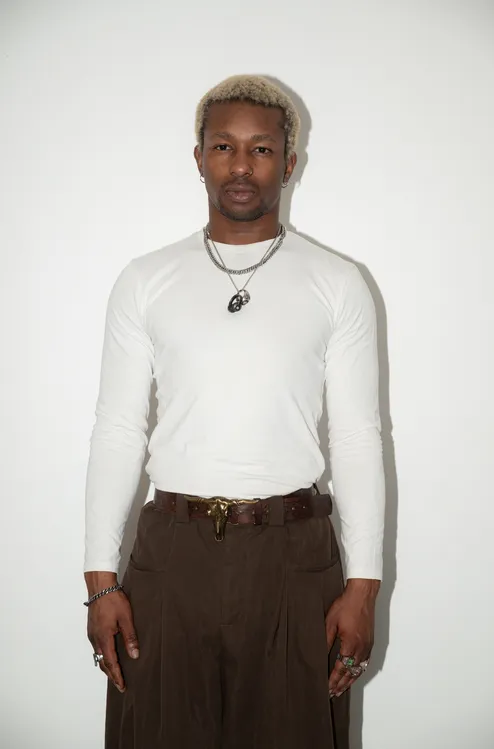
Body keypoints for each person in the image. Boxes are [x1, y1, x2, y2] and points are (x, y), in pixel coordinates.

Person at [83, 74, 385, 749]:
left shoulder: (337, 283)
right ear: (199, 157)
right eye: (224, 146)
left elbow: (357, 436)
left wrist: (362, 588)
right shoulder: (145, 280)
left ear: (289, 162)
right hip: (172, 555)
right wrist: (101, 582)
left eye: (261, 149)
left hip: (294, 556)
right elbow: (118, 429)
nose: (241, 165)